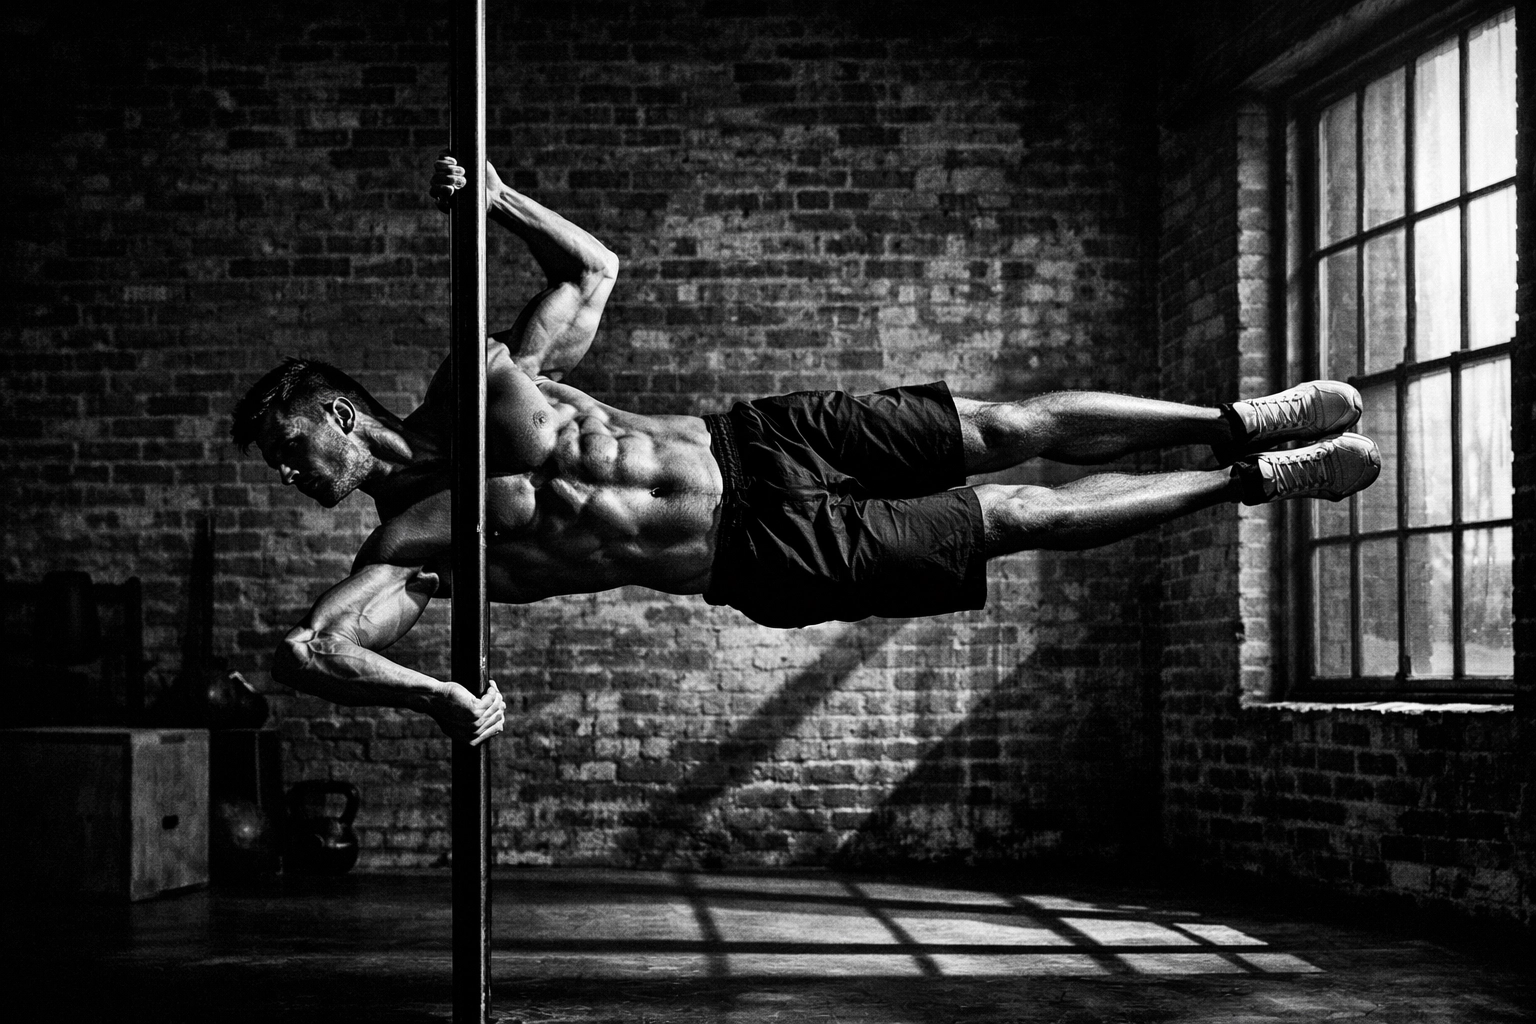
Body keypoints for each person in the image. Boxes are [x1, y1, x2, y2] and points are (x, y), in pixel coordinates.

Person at [232, 153, 1380, 746]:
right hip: (762, 550)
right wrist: (438, 697)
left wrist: (497, 197)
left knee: (1007, 427)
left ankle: (1236, 420)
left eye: (290, 453)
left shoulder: (480, 377)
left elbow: (592, 272)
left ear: (336, 414)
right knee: (1018, 519)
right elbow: (309, 652)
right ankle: (1249, 481)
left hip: (760, 438)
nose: (294, 482)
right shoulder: (414, 544)